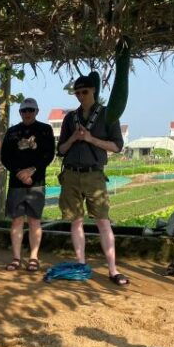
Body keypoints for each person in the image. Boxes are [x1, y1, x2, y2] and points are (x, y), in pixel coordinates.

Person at [57, 76, 130, 286]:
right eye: (77, 93)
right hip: (71, 174)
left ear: (94, 91)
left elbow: (117, 146)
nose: (81, 96)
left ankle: (113, 270)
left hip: (94, 175)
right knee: (76, 220)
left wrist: (90, 139)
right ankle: (80, 264)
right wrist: (73, 138)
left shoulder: (108, 115)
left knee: (103, 221)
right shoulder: (70, 118)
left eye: (85, 92)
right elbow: (60, 149)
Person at [0, 98, 55, 272]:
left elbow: (49, 154)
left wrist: (32, 171)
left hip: (36, 183)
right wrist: (20, 173)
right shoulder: (12, 132)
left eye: (31, 110)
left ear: (37, 111)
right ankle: (16, 257)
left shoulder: (45, 130)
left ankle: (33, 257)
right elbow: (6, 157)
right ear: (20, 112)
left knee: (34, 221)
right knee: (16, 221)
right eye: (24, 110)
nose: (28, 113)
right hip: (17, 183)